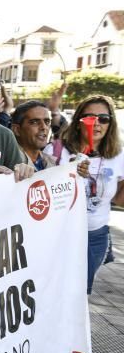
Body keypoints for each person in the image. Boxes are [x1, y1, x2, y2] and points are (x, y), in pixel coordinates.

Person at [44, 95, 124, 293]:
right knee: (51, 291)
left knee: (78, 294)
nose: (96, 123)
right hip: (58, 233)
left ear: (110, 123)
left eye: (104, 118)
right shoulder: (56, 151)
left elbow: (119, 200)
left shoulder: (118, 156)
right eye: (89, 117)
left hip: (95, 237)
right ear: (78, 122)